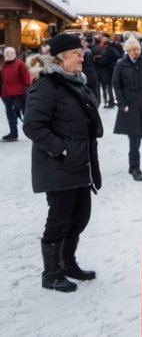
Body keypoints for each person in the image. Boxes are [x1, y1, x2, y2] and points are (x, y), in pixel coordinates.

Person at [23, 33, 103, 293]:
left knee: (80, 217)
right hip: (59, 167)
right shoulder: (46, 85)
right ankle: (51, 273)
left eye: (82, 52)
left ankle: (68, 263)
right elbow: (33, 125)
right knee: (58, 220)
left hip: (80, 165)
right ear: (60, 57)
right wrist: (62, 151)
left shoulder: (76, 83)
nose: (83, 56)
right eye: (76, 53)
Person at [112, 38, 142, 181]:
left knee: (137, 137)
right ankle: (135, 167)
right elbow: (116, 85)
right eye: (133, 49)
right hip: (129, 105)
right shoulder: (121, 65)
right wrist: (122, 103)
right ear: (127, 50)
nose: (136, 52)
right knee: (134, 137)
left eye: (138, 49)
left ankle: (132, 165)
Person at [2, 47, 31, 141]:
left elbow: (26, 78)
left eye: (10, 53)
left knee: (22, 112)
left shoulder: (20, 64)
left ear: (14, 54)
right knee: (10, 114)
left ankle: (32, 131)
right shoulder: (5, 64)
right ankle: (13, 133)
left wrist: (27, 90)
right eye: (6, 53)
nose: (8, 55)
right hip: (6, 94)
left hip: (18, 93)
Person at [96, 35, 123, 107]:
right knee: (109, 86)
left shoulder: (109, 49)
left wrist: (99, 60)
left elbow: (104, 60)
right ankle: (110, 101)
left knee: (108, 86)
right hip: (109, 70)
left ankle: (109, 102)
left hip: (107, 70)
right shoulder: (112, 48)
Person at [80, 35, 100, 102]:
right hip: (84, 76)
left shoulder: (88, 52)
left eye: (84, 43)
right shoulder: (83, 52)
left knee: (93, 93)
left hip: (90, 77)